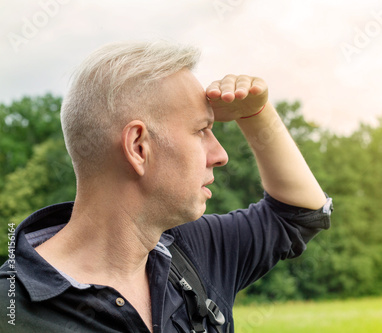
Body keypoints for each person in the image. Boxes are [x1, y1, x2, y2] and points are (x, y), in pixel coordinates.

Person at [0, 40, 332, 332]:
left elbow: (300, 213)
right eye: (202, 130)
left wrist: (256, 113)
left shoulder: (190, 249)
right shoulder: (10, 313)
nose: (220, 155)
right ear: (139, 146)